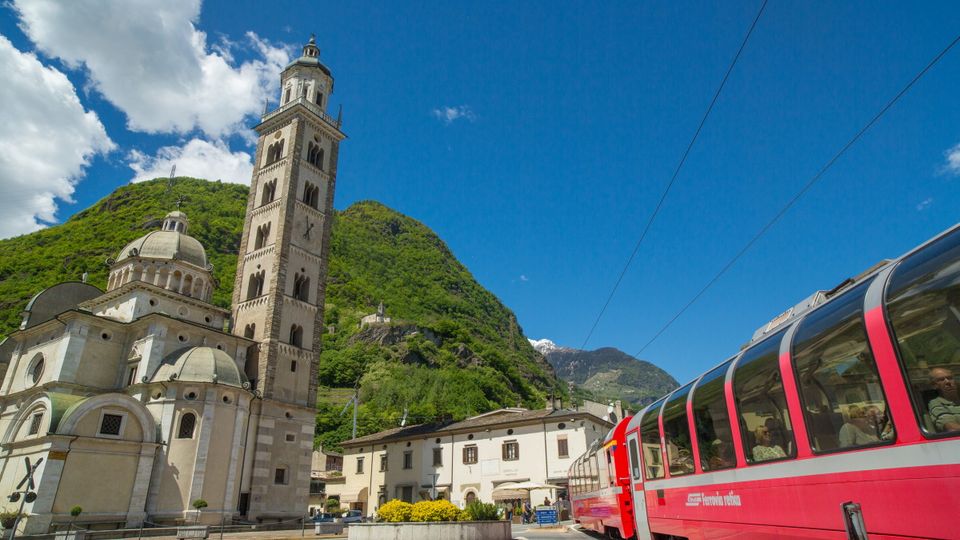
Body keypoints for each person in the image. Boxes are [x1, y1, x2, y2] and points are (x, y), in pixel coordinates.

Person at [928, 367, 960, 432]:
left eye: (950, 378)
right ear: (934, 385)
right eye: (941, 379)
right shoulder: (936, 403)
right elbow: (951, 427)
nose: (948, 382)